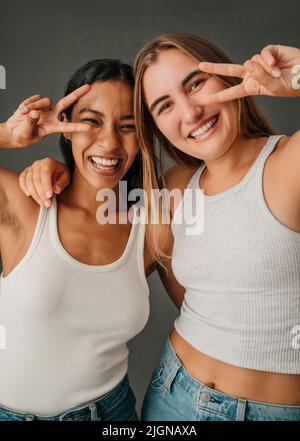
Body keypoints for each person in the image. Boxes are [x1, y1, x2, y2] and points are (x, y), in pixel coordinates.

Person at [19, 34, 300, 421]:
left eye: (196, 84)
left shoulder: (288, 164)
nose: (190, 113)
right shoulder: (174, 189)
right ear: (157, 128)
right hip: (173, 397)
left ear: (229, 77)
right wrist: (53, 165)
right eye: (165, 105)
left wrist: (299, 76)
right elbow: (94, 219)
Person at [0, 58, 154, 421]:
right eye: (91, 122)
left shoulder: (149, 228)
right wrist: (7, 135)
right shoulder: (24, 205)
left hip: (111, 415)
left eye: (128, 126)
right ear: (64, 127)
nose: (110, 142)